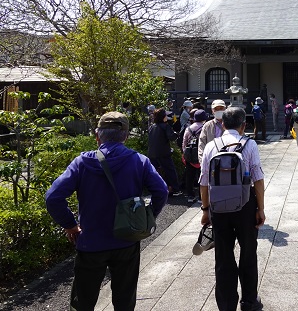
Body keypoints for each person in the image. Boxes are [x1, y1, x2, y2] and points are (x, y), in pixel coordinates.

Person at [45, 112, 168, 310]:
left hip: (90, 241)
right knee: (125, 299)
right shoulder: (139, 161)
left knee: (83, 301)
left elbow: (53, 197)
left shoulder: (82, 162)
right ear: (126, 136)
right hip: (127, 238)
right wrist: (148, 216)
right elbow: (161, 191)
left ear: (97, 136)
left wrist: (70, 225)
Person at [199, 106, 265, 311]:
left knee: (223, 256)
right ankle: (249, 301)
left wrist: (205, 209)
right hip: (245, 206)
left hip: (218, 208)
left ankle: (226, 304)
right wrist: (260, 209)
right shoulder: (249, 144)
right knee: (248, 253)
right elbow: (258, 179)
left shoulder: (212, 146)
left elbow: (203, 182)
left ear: (222, 124)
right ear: (244, 125)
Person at [148, 108, 182, 196]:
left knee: (154, 172)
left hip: (152, 153)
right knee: (170, 171)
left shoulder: (152, 126)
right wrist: (176, 133)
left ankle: (156, 189)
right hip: (163, 153)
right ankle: (175, 189)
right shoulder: (165, 126)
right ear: (163, 117)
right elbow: (171, 137)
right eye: (166, 115)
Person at [183, 108, 208, 205]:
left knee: (189, 176)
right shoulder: (206, 127)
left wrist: (185, 153)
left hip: (190, 156)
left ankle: (190, 196)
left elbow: (184, 142)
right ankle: (201, 197)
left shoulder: (188, 128)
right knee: (202, 176)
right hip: (202, 155)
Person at [198, 99, 227, 164]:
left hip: (227, 159)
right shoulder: (207, 125)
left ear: (225, 109)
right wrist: (202, 161)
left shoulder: (231, 124)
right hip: (210, 159)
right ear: (212, 111)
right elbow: (201, 144)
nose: (219, 111)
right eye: (216, 109)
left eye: (221, 108)